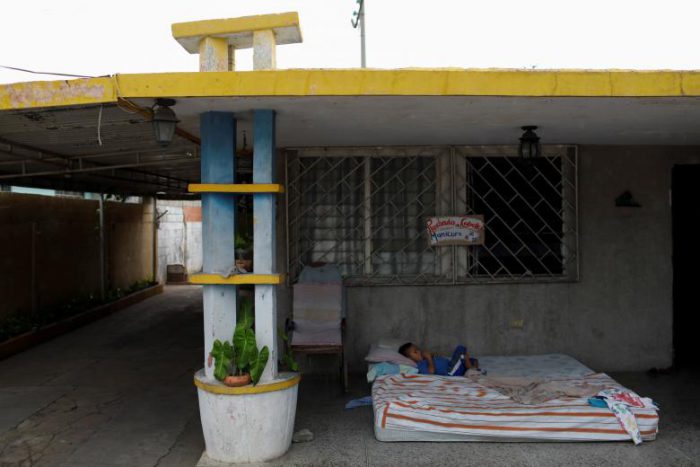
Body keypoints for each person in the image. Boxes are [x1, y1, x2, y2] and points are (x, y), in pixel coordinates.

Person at [398, 342, 479, 376]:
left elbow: (438, 362)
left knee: (474, 360)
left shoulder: (424, 360)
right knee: (460, 349)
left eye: (418, 349)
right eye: (415, 352)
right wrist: (429, 358)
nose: (419, 351)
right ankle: (471, 370)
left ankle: (471, 369)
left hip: (453, 367)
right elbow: (431, 372)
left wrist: (432, 356)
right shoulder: (419, 365)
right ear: (409, 358)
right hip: (450, 372)